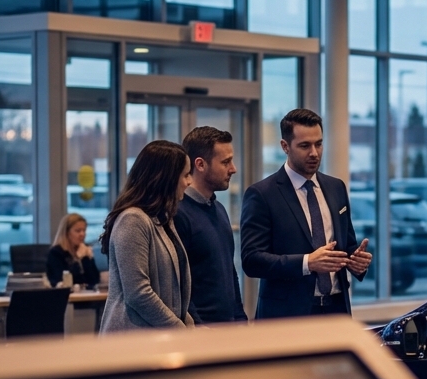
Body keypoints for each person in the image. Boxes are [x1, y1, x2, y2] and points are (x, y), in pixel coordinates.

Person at [241, 108, 372, 318]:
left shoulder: (336, 187)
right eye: (304, 146)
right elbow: (252, 260)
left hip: (336, 310)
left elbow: (346, 246)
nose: (314, 153)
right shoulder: (262, 194)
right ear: (285, 146)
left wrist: (357, 263)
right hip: (287, 316)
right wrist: (307, 262)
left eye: (318, 144)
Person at [100, 140, 194, 333]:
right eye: (185, 175)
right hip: (131, 343)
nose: (189, 181)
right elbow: (138, 294)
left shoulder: (162, 219)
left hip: (156, 339)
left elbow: (172, 295)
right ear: (166, 178)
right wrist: (180, 329)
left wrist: (188, 325)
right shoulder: (133, 219)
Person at [174, 126, 248, 323]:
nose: (233, 169)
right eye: (225, 162)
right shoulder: (178, 214)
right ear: (200, 164)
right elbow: (178, 284)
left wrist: (240, 318)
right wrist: (197, 327)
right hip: (201, 332)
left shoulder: (219, 209)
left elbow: (230, 273)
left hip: (228, 326)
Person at [46, 212, 100, 288]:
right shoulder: (56, 253)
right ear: (66, 233)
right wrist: (78, 260)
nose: (82, 234)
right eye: (78, 231)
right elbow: (65, 282)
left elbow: (95, 281)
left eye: (84, 230)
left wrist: (86, 259)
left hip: (86, 296)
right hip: (65, 297)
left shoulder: (85, 250)